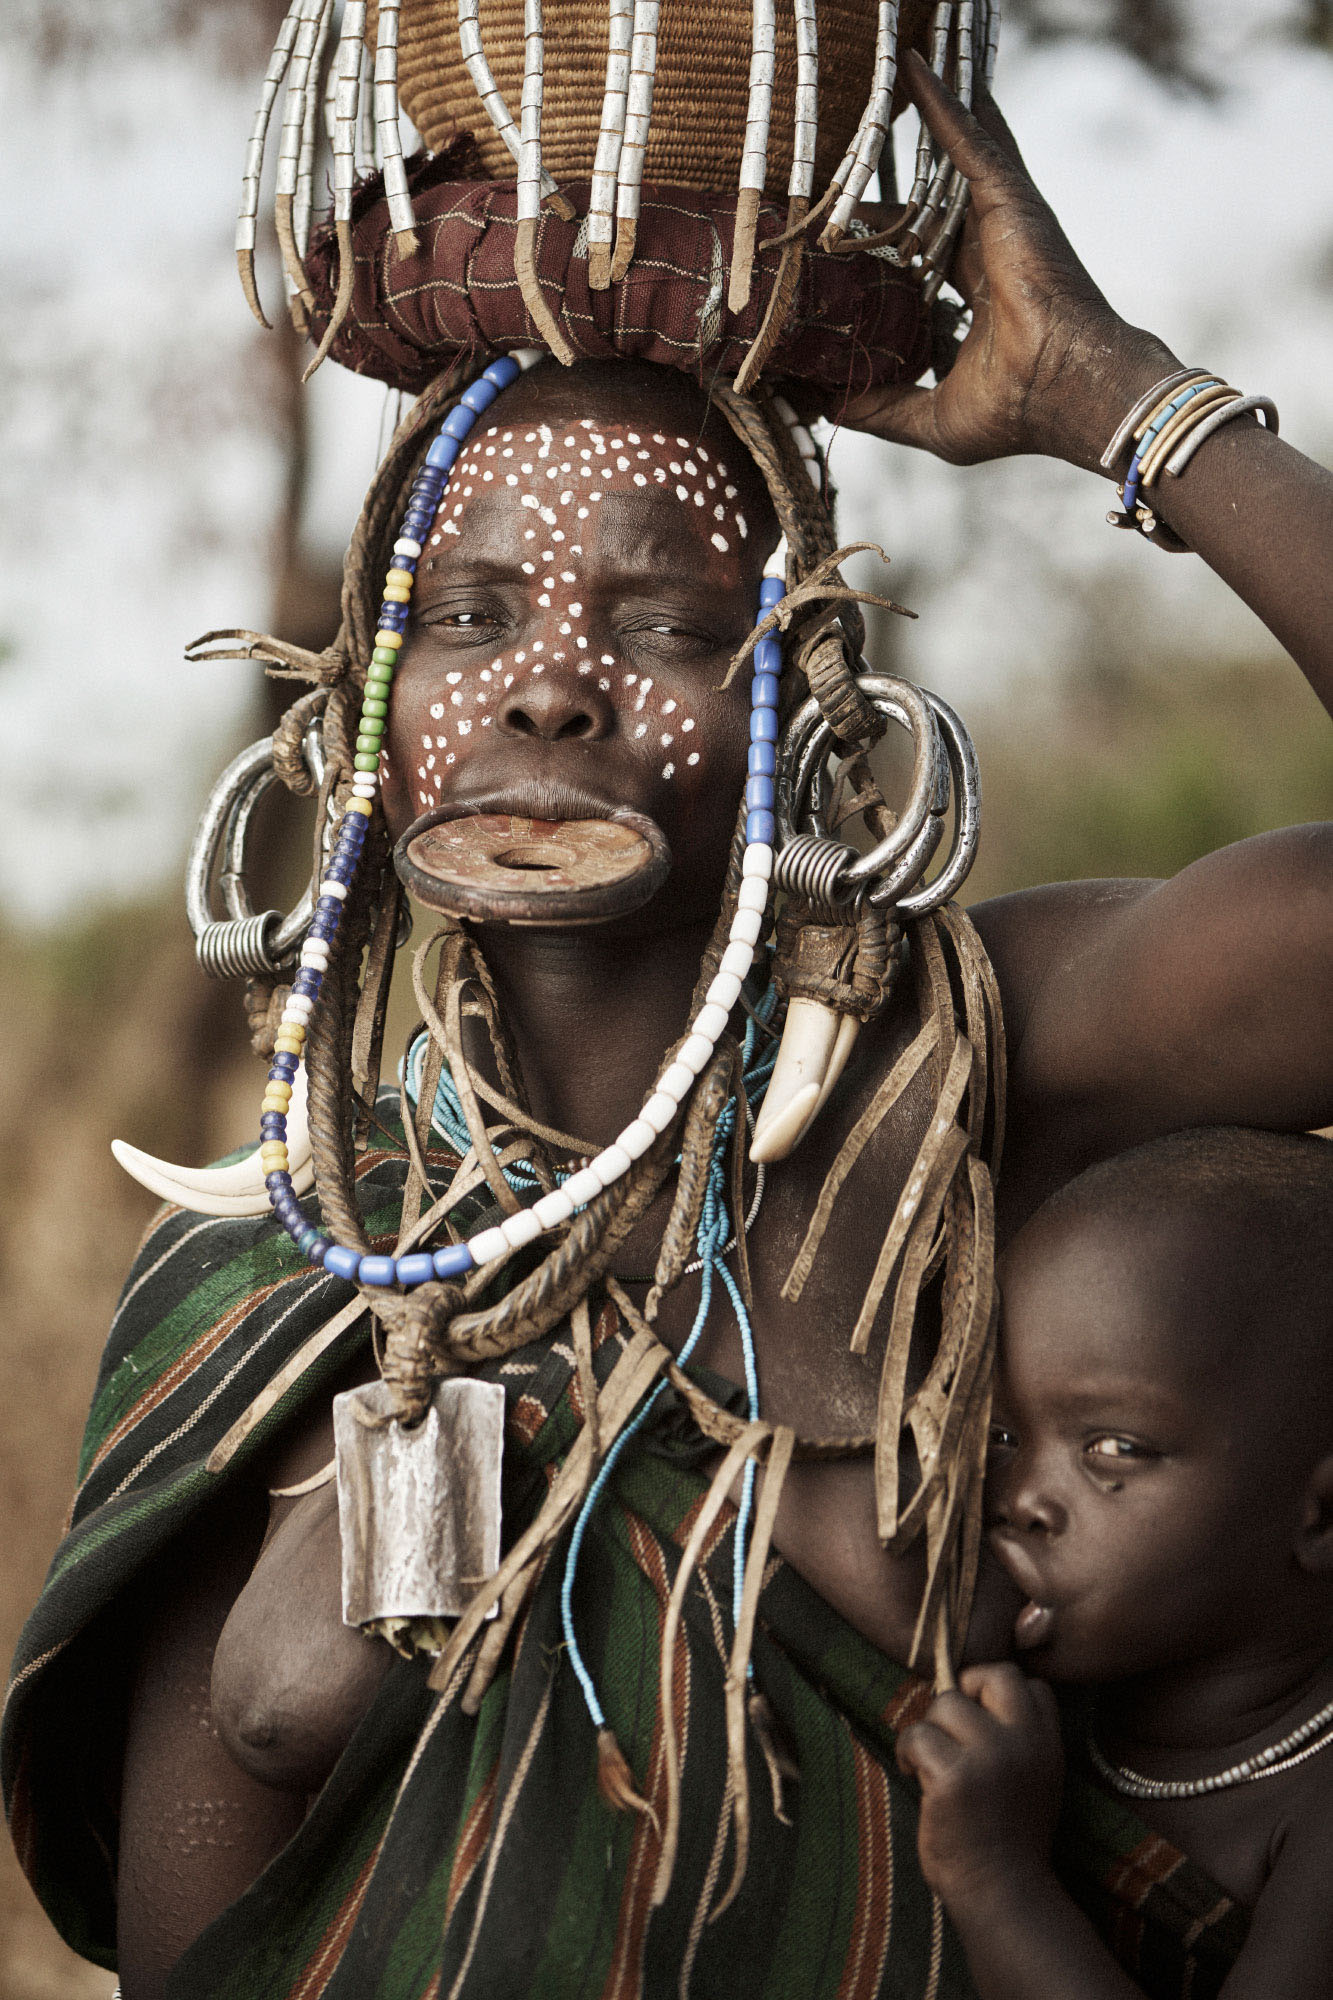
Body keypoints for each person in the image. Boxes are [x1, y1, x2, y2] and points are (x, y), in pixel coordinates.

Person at [5, 51, 1332, 2000]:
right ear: (361, 703)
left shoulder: (976, 1064)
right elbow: (211, 1953)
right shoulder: (278, 1259)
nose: (548, 690)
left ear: (806, 689)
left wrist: (1113, 398)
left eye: (659, 619)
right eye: (467, 616)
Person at [898, 1126, 1333, 1999]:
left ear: (1323, 1518)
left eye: (1111, 1448)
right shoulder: (1039, 1690)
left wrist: (997, 1884)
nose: (1017, 1496)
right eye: (1001, 1436)